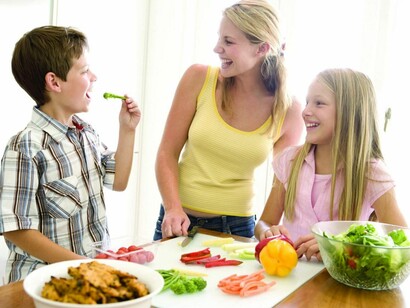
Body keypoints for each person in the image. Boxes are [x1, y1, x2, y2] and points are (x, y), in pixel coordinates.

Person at [0, 26, 141, 282]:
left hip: (87, 279)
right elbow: (15, 229)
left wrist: (127, 130)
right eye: (85, 71)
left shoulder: (86, 134)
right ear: (54, 82)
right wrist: (85, 265)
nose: (94, 77)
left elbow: (118, 181)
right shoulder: (25, 147)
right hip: (42, 284)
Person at [154, 0, 304, 240]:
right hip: (178, 221)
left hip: (237, 229)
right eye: (219, 38)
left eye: (228, 41)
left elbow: (283, 183)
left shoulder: (289, 109)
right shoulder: (198, 78)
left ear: (262, 48)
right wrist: (172, 208)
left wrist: (266, 228)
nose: (217, 48)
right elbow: (166, 153)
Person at [254, 68, 408, 261]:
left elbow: (402, 242)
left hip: (341, 283)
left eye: (319, 103)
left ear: (349, 112)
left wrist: (339, 246)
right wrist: (267, 232)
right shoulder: (290, 160)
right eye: (308, 101)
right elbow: (264, 222)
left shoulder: (371, 172)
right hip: (290, 275)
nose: (306, 111)